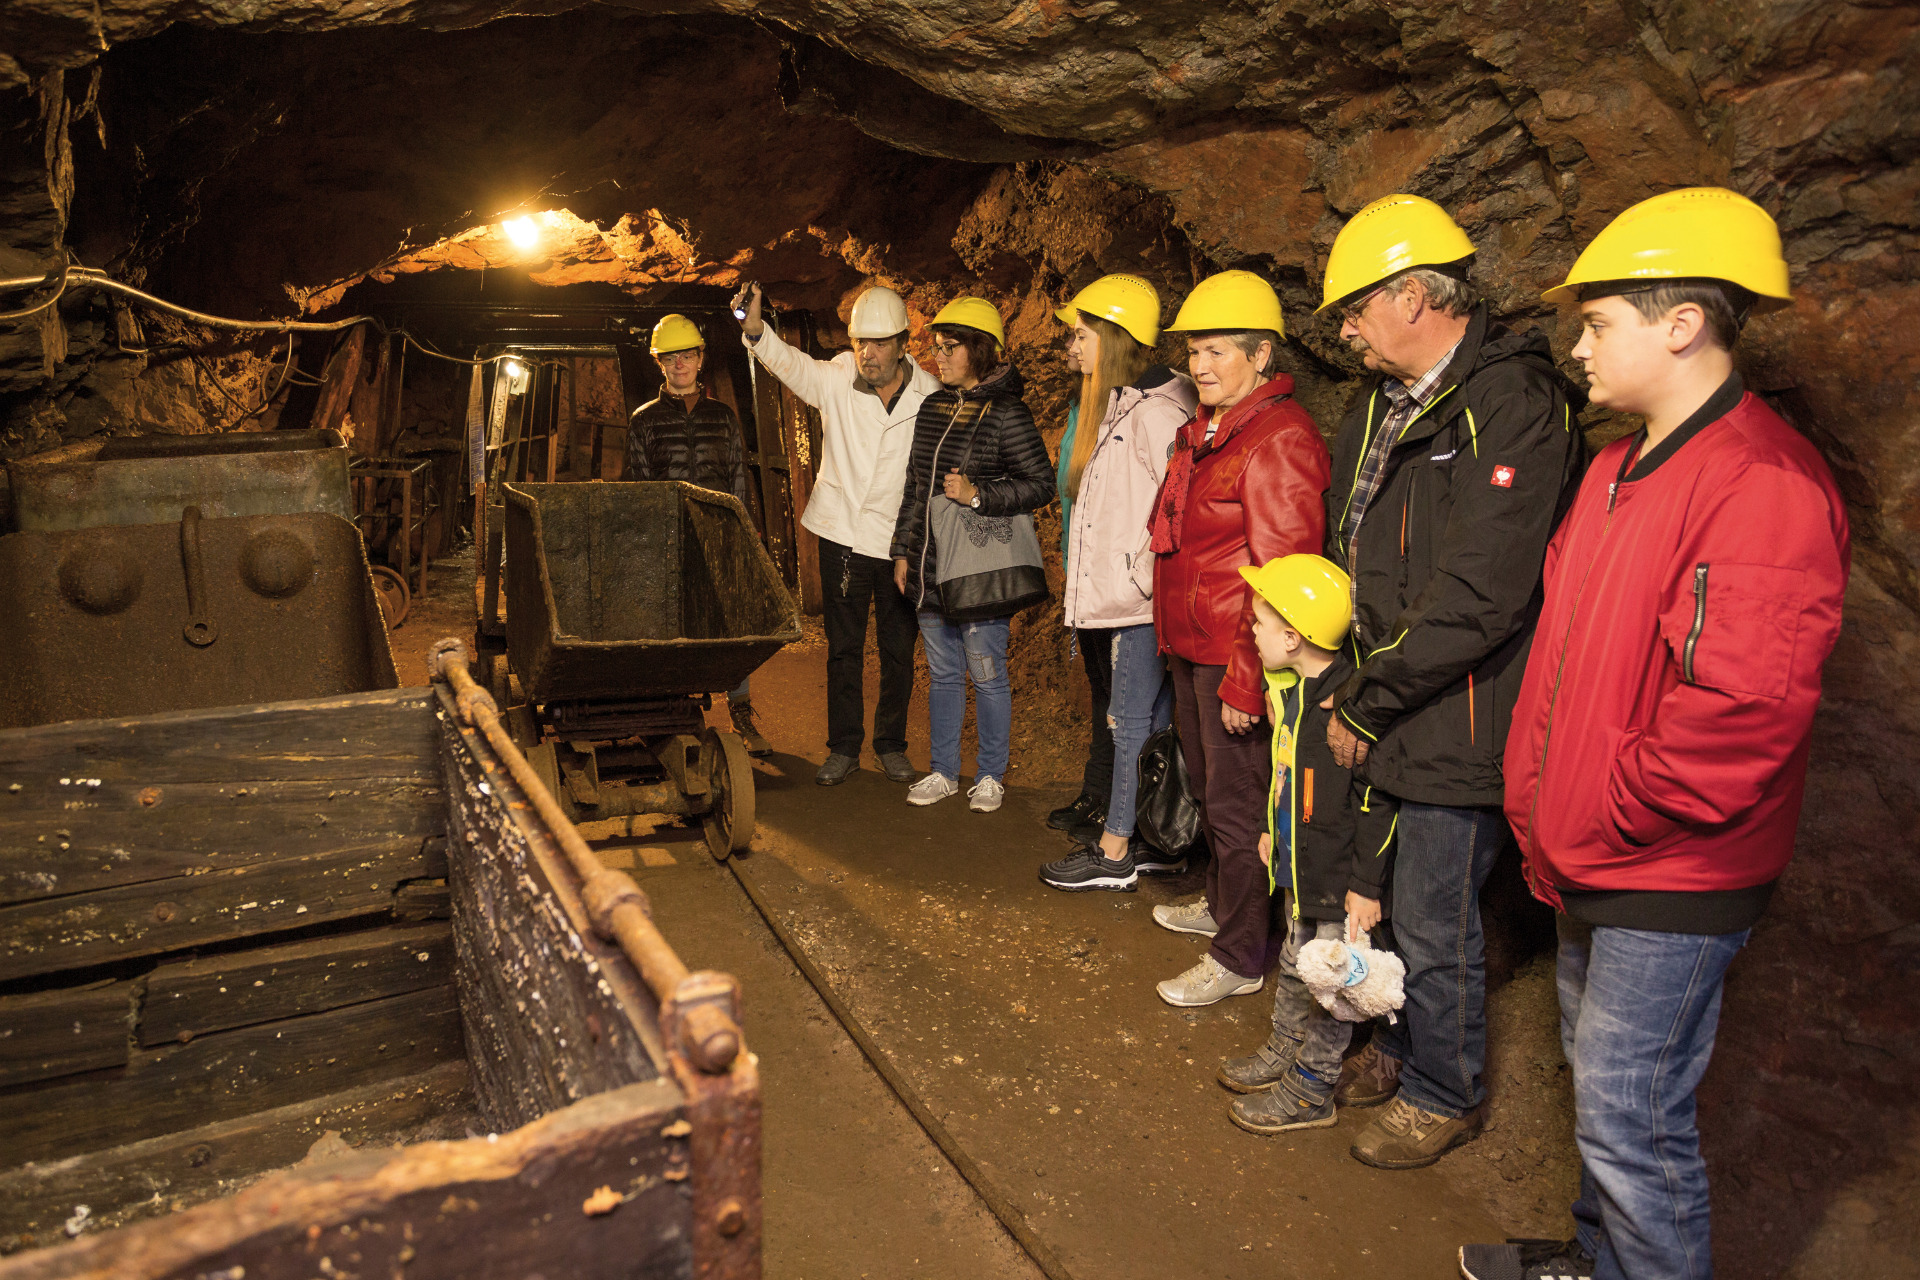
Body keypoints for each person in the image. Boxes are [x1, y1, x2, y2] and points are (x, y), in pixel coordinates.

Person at [1462, 188, 1850, 1280]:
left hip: (1668, 862)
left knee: (1634, 1121)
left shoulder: (1762, 486)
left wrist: (1616, 803)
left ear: (1680, 325)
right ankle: (1600, 1260)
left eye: (1599, 323)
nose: (1579, 347)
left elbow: (1739, 716)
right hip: (1601, 846)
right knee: (1604, 1095)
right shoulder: (1614, 469)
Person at [1314, 194, 1585, 1171]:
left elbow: (1481, 592)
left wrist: (1368, 696)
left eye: (1355, 308)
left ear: (1416, 295)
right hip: (1393, 690)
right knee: (1376, 889)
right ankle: (1397, 1044)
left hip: (1460, 708)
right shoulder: (1387, 407)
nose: (1344, 330)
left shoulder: (1506, 404)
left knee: (1435, 910)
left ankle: (1445, 1090)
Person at [1145, 270, 1331, 1007]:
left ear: (1260, 357)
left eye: (1216, 350)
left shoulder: (1279, 440)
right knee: (1212, 792)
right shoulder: (1212, 434)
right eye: (1194, 352)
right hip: (1195, 647)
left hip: (1235, 654)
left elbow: (1283, 573)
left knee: (1239, 808)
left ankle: (1241, 955)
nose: (1199, 366)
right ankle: (1227, 908)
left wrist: (1248, 681)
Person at [1215, 554, 1396, 1133]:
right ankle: (1283, 1050)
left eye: (1260, 623)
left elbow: (1375, 801)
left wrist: (1365, 886)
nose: (1252, 630)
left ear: (1293, 637)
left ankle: (1312, 1087)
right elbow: (1287, 774)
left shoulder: (1343, 708)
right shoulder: (1293, 694)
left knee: (1329, 986)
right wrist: (1274, 829)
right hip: (1299, 866)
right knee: (1294, 962)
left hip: (1338, 882)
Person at [734, 282, 939, 786]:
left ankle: (890, 745)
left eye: (878, 344)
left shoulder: (929, 394)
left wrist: (918, 543)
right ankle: (844, 747)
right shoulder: (837, 377)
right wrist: (757, 330)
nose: (866, 354)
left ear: (903, 343)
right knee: (843, 648)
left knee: (896, 647)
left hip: (899, 544)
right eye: (859, 343)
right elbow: (793, 366)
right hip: (843, 535)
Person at [1037, 274, 1197, 890]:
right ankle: (1157, 837)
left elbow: (1175, 509)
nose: (1070, 347)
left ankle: (1114, 850)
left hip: (1136, 603)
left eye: (1079, 335)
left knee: (1128, 721)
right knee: (1149, 718)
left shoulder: (1158, 413)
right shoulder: (1117, 403)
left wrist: (1140, 575)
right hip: (1117, 598)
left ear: (1113, 336)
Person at [889, 297, 1054, 813]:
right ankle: (942, 771)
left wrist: (978, 494)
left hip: (981, 570)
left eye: (951, 347)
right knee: (941, 673)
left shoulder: (1007, 413)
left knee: (986, 673)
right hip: (931, 568)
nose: (940, 356)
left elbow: (1041, 485)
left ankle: (989, 775)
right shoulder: (934, 407)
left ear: (980, 349)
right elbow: (916, 487)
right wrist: (902, 552)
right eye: (936, 347)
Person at [626, 313, 770, 756]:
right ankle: (675, 716)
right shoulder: (644, 421)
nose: (680, 364)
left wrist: (747, 536)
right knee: (674, 627)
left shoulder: (723, 418)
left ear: (700, 359)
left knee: (729, 623)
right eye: (671, 357)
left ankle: (741, 712)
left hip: (719, 535)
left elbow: (738, 478)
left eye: (687, 355)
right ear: (659, 363)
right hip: (668, 540)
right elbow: (636, 485)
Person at [1043, 300, 1110, 845]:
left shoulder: (1130, 410)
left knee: (1123, 701)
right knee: (1102, 692)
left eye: (1080, 336)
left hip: (1117, 586)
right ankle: (1098, 793)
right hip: (1084, 576)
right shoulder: (1081, 406)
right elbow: (1072, 500)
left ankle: (1117, 804)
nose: (1070, 346)